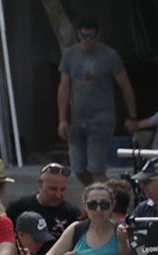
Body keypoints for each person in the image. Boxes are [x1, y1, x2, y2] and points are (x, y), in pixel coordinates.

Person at [57, 17, 136, 188]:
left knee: (96, 168)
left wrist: (132, 116)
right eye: (85, 36)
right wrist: (62, 118)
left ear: (98, 35)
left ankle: (101, 200)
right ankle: (115, 188)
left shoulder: (109, 55)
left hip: (101, 117)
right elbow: (64, 88)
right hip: (77, 118)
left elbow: (125, 85)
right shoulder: (70, 55)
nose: (88, 41)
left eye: (92, 37)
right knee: (78, 168)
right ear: (79, 34)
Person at [43, 180, 131, 255]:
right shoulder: (76, 229)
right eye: (92, 204)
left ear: (112, 206)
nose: (98, 210)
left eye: (104, 204)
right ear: (85, 206)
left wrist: (123, 241)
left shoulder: (121, 230)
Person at [2, 163, 80, 255]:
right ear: (40, 183)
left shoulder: (72, 213)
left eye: (63, 189)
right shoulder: (18, 207)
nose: (58, 195)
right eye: (53, 189)